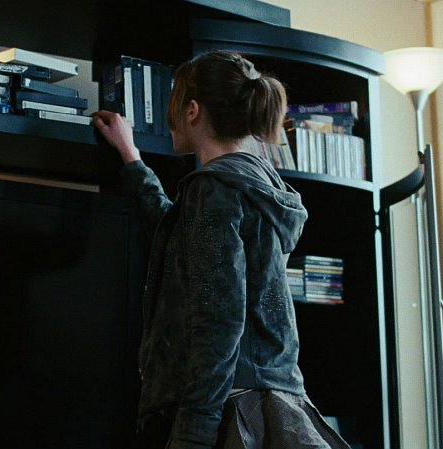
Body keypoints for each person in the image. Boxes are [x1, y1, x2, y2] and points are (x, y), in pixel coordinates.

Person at [92, 50, 350, 449]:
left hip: (227, 412)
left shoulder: (214, 188)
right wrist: (132, 159)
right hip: (270, 403)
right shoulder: (259, 183)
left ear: (192, 111)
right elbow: (179, 239)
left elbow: (219, 319)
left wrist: (192, 435)